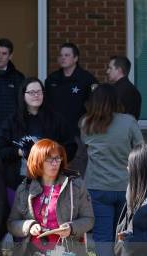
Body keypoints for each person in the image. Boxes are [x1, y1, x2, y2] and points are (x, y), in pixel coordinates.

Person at [80, 84, 144, 256]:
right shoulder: (128, 122)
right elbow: (141, 150)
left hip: (97, 187)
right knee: (124, 235)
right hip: (127, 187)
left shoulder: (86, 123)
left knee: (103, 238)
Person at [0, 77, 76, 191]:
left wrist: (52, 155)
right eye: (31, 92)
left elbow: (71, 147)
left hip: (50, 182)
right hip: (18, 182)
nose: (36, 95)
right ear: (23, 95)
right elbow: (0, 150)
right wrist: (20, 151)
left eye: (39, 92)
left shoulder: (56, 119)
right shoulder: (12, 121)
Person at [45, 43, 98, 175]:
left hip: (78, 135)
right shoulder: (52, 80)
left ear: (75, 58)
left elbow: (96, 106)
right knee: (55, 171)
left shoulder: (86, 79)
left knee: (76, 172)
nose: (63, 58)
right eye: (61, 55)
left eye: (67, 55)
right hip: (55, 134)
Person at [106, 56, 141, 120]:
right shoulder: (133, 90)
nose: (107, 71)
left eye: (110, 68)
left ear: (119, 70)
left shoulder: (116, 91)